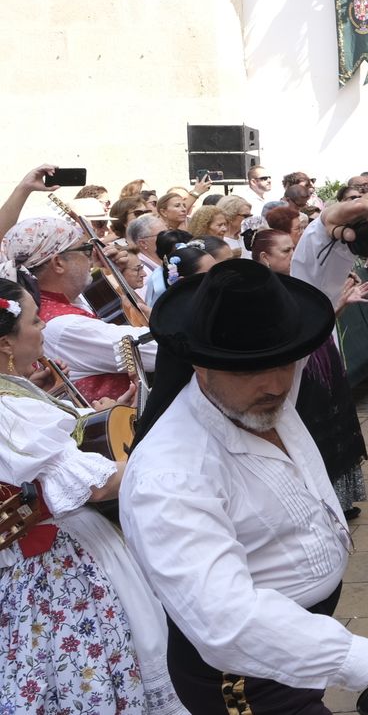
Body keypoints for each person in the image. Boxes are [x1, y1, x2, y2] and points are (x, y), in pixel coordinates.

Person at [121, 194, 368, 715]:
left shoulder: (260, 389)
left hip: (295, 642)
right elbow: (227, 621)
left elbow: (308, 304)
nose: (276, 384)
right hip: (241, 677)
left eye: (287, 362)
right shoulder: (169, 474)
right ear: (201, 366)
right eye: (252, 369)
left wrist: (323, 231)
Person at [0, 278, 184, 715]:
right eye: (33, 320)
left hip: (26, 563)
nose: (43, 326)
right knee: (96, 664)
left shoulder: (14, 397)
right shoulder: (11, 409)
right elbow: (95, 485)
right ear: (6, 342)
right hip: (59, 564)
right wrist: (165, 457)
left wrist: (98, 418)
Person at [254, 228, 368, 516]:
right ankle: (322, 502)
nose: (293, 255)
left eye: (294, 248)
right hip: (303, 367)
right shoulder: (267, 293)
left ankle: (341, 500)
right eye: (285, 251)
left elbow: (323, 323)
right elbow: (301, 333)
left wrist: (341, 305)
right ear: (264, 258)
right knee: (316, 430)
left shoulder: (297, 283)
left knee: (337, 423)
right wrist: (337, 305)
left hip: (324, 357)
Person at [0, 214, 156, 404]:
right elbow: (159, 350)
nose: (92, 257)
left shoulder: (51, 305)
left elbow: (86, 300)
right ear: (58, 263)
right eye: (86, 249)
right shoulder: (64, 326)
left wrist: (113, 275)